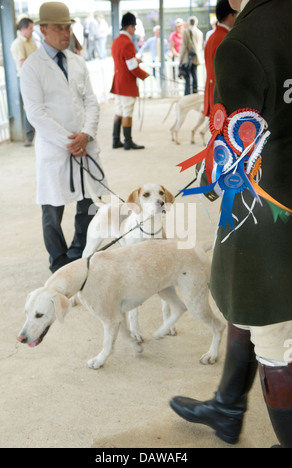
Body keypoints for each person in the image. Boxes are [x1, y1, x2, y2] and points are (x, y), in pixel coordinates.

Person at [170, 0, 292, 448]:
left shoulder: (244, 41)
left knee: (277, 348)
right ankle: (226, 405)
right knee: (246, 301)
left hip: (270, 218)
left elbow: (229, 161)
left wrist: (204, 179)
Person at [20, 2, 108, 273]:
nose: (65, 32)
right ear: (42, 30)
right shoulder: (32, 67)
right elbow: (36, 112)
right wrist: (69, 141)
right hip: (55, 149)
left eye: (68, 26)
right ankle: (58, 263)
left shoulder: (78, 62)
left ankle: (78, 255)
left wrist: (86, 134)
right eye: (59, 27)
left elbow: (92, 102)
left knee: (89, 203)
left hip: (85, 145)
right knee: (52, 209)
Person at [110, 12, 149, 150]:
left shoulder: (116, 41)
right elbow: (132, 67)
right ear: (130, 27)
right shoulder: (128, 43)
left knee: (119, 110)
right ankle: (128, 141)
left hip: (118, 82)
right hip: (127, 83)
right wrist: (144, 75)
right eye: (134, 27)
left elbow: (124, 61)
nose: (134, 30)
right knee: (127, 112)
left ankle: (116, 140)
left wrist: (135, 60)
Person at [203, 0, 237, 116]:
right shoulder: (226, 37)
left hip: (213, 91)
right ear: (230, 15)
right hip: (222, 94)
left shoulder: (212, 37)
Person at [10, 17, 37, 146]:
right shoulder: (18, 43)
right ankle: (29, 136)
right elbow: (22, 63)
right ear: (23, 29)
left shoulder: (31, 42)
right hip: (26, 78)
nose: (32, 30)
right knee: (29, 107)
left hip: (36, 77)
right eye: (30, 28)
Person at [179, 16, 203, 95]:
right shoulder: (200, 33)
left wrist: (181, 59)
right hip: (196, 57)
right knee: (195, 75)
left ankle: (187, 94)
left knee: (187, 77)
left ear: (189, 23)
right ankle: (195, 92)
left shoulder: (186, 31)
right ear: (196, 23)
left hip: (187, 57)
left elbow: (184, 46)